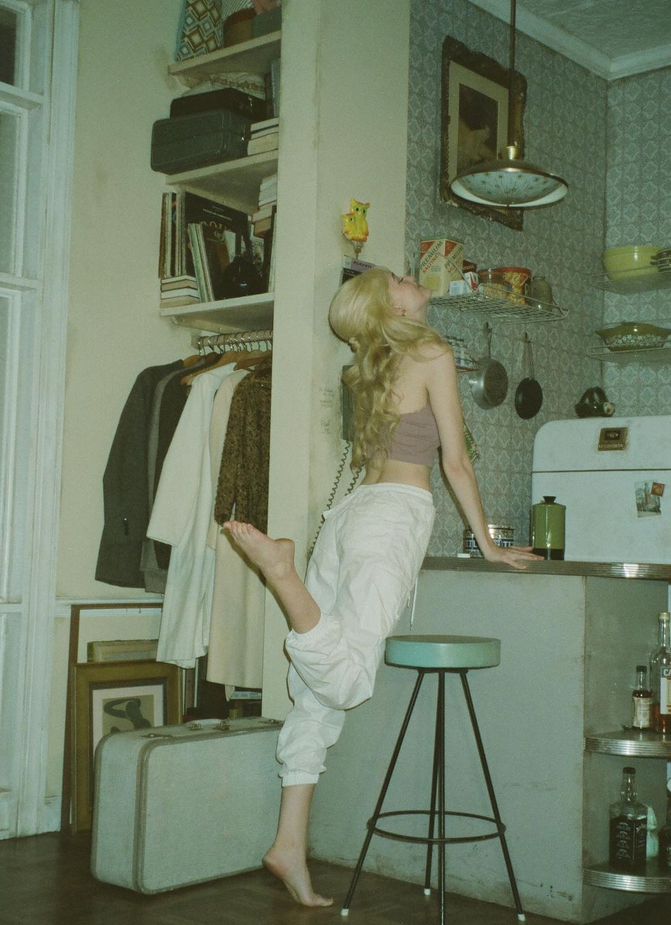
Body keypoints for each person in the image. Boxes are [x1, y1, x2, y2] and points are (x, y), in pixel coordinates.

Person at [225, 266, 540, 906]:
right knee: (348, 680)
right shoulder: (430, 351)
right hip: (392, 516)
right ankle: (281, 574)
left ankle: (289, 845)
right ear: (390, 306)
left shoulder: (365, 368)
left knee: (315, 698)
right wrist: (488, 544)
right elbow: (455, 460)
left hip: (348, 520)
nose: (409, 277)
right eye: (397, 278)